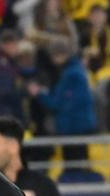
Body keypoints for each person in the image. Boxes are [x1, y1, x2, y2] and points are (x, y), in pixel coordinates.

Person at [27, 37, 96, 165]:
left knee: (74, 166)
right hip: (77, 126)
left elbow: (58, 104)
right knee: (80, 164)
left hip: (73, 128)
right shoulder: (75, 71)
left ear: (59, 54)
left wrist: (39, 94)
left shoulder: (71, 75)